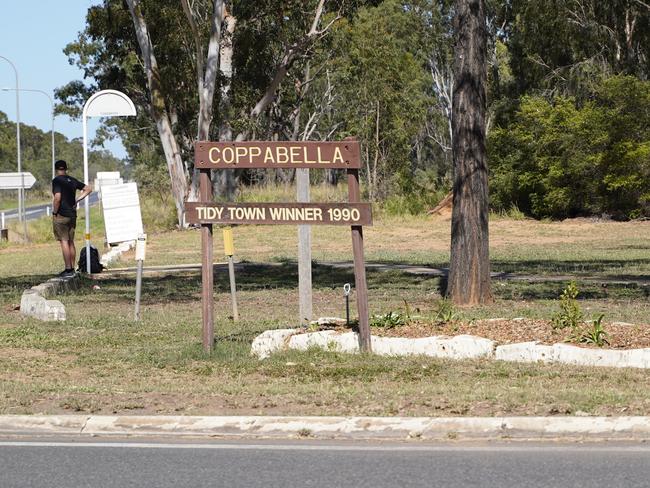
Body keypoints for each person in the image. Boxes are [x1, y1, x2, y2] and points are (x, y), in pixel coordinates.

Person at [52, 160, 92, 277]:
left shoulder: (57, 181)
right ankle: (72, 268)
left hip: (61, 214)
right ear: (66, 168)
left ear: (56, 169)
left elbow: (57, 198)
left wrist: (55, 211)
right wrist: (78, 199)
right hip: (72, 214)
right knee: (70, 241)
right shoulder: (72, 180)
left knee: (64, 241)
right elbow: (88, 189)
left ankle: (68, 269)